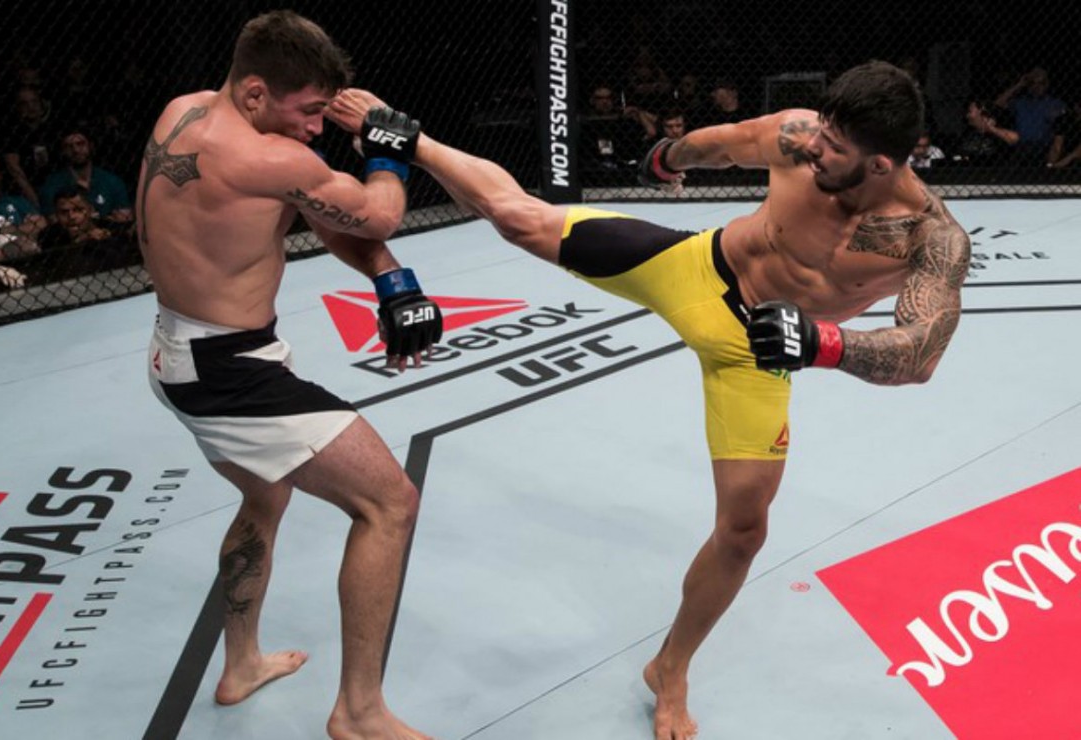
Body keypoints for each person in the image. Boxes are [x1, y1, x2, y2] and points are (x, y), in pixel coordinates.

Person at [332, 59, 971, 739]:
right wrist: (669, 157)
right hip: (695, 270)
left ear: (881, 164)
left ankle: (670, 668)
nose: (814, 146)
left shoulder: (931, 238)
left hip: (759, 351)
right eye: (820, 131)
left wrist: (820, 342)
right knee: (520, 218)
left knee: (744, 532)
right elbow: (723, 144)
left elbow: (920, 353)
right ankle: (415, 140)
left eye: (834, 146)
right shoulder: (796, 137)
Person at [139, 11, 438, 740]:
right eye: (308, 111)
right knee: (389, 503)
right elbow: (375, 215)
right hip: (228, 374)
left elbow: (316, 214)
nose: (315, 128)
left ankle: (240, 665)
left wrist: (389, 279)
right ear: (254, 93)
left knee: (264, 497)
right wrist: (387, 152)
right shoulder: (271, 159)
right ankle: (359, 713)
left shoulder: (184, 112)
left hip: (183, 351)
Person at [39, 127, 134, 223]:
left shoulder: (111, 181)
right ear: (63, 151)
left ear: (90, 146)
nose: (76, 150)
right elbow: (54, 221)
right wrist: (105, 219)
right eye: (69, 146)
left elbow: (125, 217)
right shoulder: (52, 184)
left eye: (80, 144)